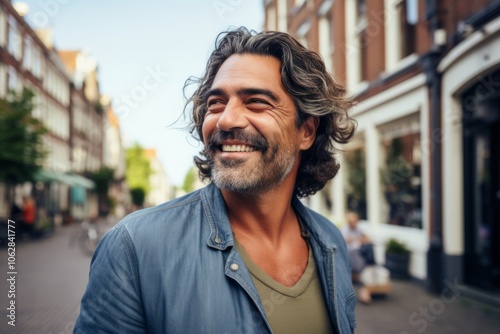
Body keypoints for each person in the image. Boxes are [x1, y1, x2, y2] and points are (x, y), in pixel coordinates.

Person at [74, 27, 357, 333]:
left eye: (256, 101)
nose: (226, 119)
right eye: (215, 103)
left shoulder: (331, 243)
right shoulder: (133, 249)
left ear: (306, 132)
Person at [341, 211, 375, 304]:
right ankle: (364, 291)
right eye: (351, 222)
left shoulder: (358, 229)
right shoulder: (345, 230)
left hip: (359, 253)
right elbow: (346, 243)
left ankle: (370, 266)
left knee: (370, 247)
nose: (353, 223)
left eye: (355, 221)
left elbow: (369, 239)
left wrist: (358, 239)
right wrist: (358, 239)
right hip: (351, 254)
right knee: (364, 268)